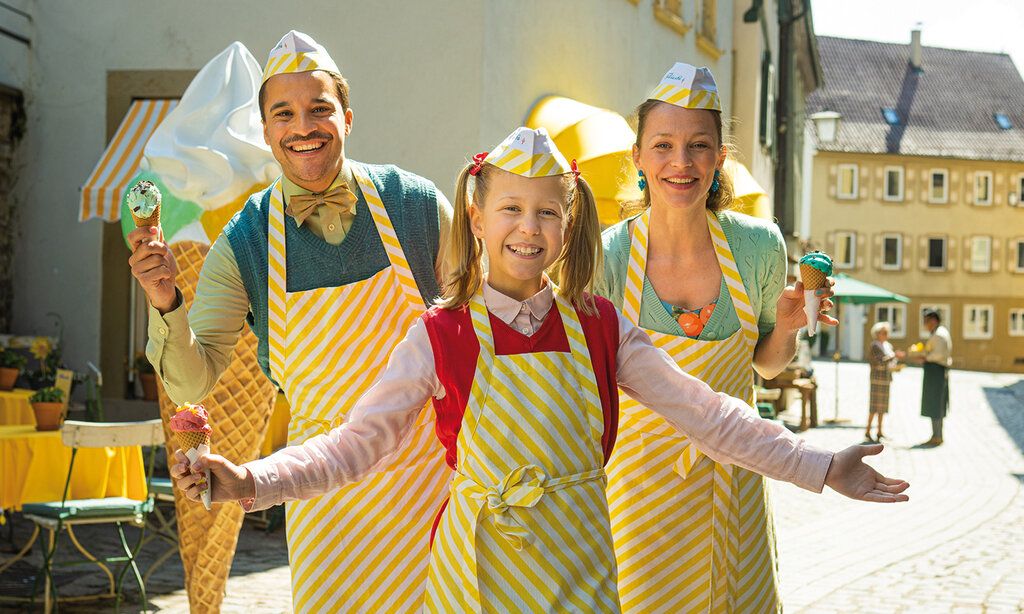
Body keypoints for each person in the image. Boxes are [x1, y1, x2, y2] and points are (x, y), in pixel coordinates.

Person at [171, 127, 908, 612]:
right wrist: (252, 481)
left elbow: (710, 414)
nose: (529, 228)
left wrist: (819, 465)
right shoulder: (441, 335)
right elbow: (353, 444)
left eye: (548, 213)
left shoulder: (600, 325)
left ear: (569, 224)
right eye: (512, 209)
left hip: (579, 569)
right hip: (477, 576)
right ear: (480, 218)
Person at [127, 31, 452, 612]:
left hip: (430, 485)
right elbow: (191, 380)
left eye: (319, 109)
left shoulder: (416, 205)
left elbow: (482, 325)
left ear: (347, 117)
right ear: (266, 129)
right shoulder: (246, 238)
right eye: (284, 113)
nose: (304, 126)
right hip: (320, 495)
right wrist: (165, 300)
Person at [595, 62, 838, 612]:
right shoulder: (607, 255)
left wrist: (790, 324)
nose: (681, 163)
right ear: (637, 156)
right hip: (635, 504)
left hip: (735, 483)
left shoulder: (757, 247)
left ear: (720, 156)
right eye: (663, 145)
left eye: (698, 146)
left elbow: (768, 366)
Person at [913, 309, 952, 446]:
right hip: (936, 370)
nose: (925, 325)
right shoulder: (938, 333)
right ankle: (936, 435)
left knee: (936, 403)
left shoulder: (939, 335)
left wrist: (924, 357)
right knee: (936, 403)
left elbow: (938, 355)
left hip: (936, 370)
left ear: (934, 321)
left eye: (926, 321)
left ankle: (937, 436)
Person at [867, 321, 904, 442]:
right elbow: (880, 361)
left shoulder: (888, 345)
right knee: (874, 407)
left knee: (883, 407)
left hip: (886, 379)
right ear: (877, 334)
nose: (886, 334)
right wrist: (894, 356)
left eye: (887, 332)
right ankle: (867, 430)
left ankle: (879, 431)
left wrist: (896, 365)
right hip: (877, 380)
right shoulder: (874, 346)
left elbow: (889, 363)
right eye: (883, 332)